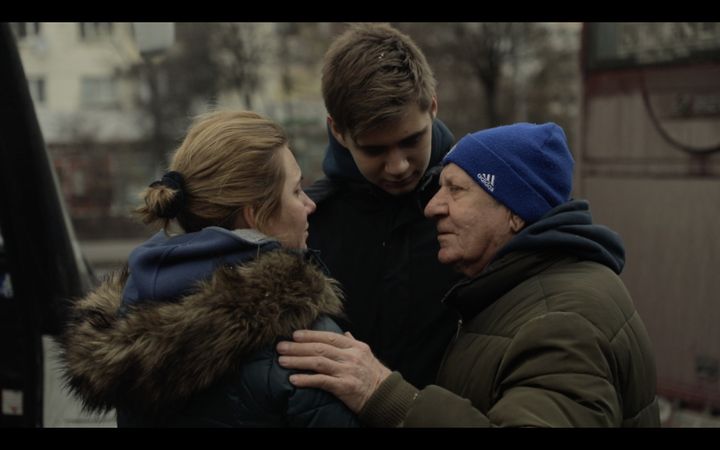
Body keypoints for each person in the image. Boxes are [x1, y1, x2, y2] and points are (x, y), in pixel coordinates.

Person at [277, 122, 661, 427]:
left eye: (455, 189)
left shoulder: (562, 320)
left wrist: (385, 395)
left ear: (515, 211)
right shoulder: (520, 293)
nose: (432, 208)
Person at [57, 110, 359, 427]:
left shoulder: (129, 335)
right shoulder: (309, 344)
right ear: (255, 215)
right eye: (296, 190)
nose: (309, 204)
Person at [305, 23, 463, 389]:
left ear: (433, 107)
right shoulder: (309, 225)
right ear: (338, 132)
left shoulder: (482, 205)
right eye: (374, 150)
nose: (398, 167)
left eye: (411, 141)